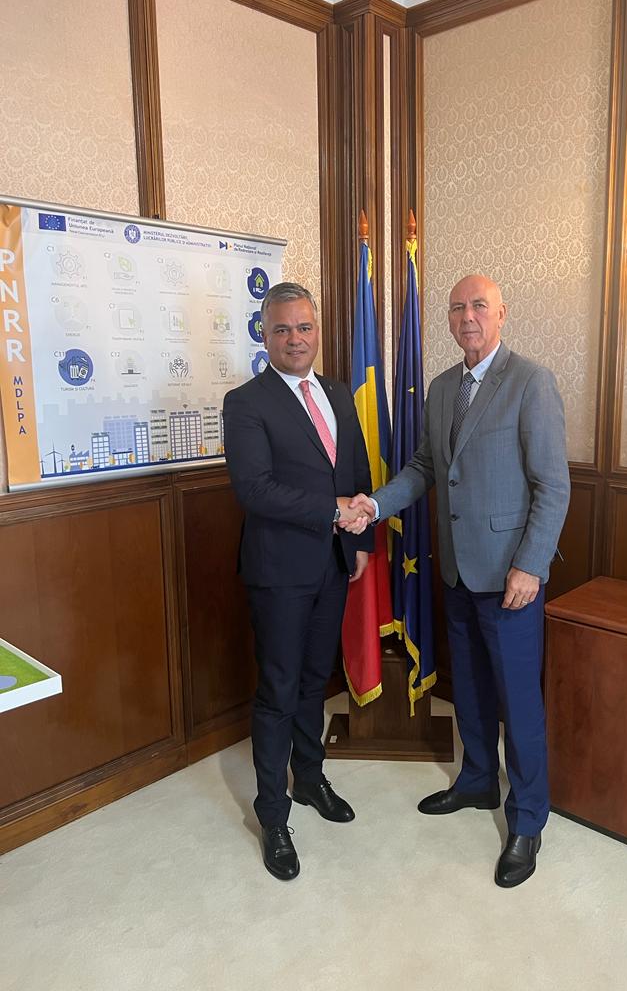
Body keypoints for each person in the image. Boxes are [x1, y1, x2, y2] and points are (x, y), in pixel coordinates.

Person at [349, 274, 570, 888]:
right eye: (457, 308)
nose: (467, 316)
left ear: (501, 313)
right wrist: (374, 504)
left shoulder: (531, 382)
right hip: (456, 569)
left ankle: (528, 818)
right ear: (448, 319)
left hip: (510, 576)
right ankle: (476, 781)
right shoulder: (443, 387)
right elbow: (425, 466)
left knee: (518, 703)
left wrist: (531, 565)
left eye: (479, 305)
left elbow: (553, 486)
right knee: (469, 688)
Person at [223, 281, 372, 882]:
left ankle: (309, 779)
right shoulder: (246, 402)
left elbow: (354, 469)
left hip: (333, 564)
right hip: (279, 572)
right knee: (279, 690)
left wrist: (358, 542)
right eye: (282, 329)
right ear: (264, 335)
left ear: (317, 331)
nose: (295, 339)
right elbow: (254, 489)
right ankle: (272, 814)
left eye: (304, 327)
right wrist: (334, 512)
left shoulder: (335, 392)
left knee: (315, 682)